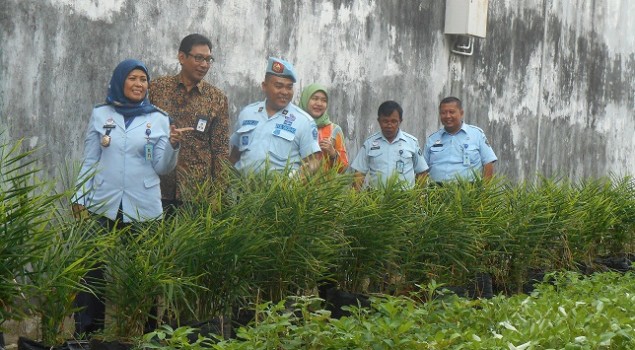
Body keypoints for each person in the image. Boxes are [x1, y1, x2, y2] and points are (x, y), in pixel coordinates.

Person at [71, 59, 190, 336]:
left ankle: (144, 331)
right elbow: (90, 159)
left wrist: (173, 145)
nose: (139, 84)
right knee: (92, 266)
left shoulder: (158, 118)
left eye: (143, 80)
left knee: (143, 269)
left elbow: (161, 167)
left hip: (143, 204)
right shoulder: (101, 114)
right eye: (133, 78)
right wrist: (79, 197)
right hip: (103, 202)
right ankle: (88, 332)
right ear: (120, 80)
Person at [149, 33, 229, 214]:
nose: (204, 65)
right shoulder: (156, 89)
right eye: (199, 58)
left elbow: (220, 150)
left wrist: (218, 195)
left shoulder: (216, 98)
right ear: (182, 57)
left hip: (196, 194)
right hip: (157, 189)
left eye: (209, 59)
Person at [229, 57, 321, 174]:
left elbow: (313, 162)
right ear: (264, 86)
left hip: (279, 192)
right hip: (241, 190)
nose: (284, 92)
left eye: (289, 87)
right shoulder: (247, 113)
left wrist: (297, 181)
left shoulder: (304, 121)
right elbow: (234, 156)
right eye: (278, 86)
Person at [350, 101, 428, 189]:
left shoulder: (411, 143)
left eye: (394, 121)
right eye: (385, 121)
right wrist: (355, 198)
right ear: (379, 121)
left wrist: (417, 197)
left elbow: (422, 172)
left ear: (400, 121)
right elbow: (359, 174)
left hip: (405, 199)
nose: (389, 125)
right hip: (377, 199)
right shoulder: (370, 143)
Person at [424, 96, 497, 183]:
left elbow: (488, 163)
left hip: (468, 191)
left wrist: (485, 192)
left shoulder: (477, 134)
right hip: (437, 191)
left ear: (461, 113)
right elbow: (422, 168)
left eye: (451, 112)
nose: (447, 116)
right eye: (443, 113)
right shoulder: (432, 139)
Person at [299, 83, 349, 172]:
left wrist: (333, 153)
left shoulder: (334, 130)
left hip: (325, 185)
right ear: (305, 100)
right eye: (314, 98)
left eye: (324, 100)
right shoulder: (294, 126)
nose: (319, 103)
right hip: (295, 184)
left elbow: (343, 169)